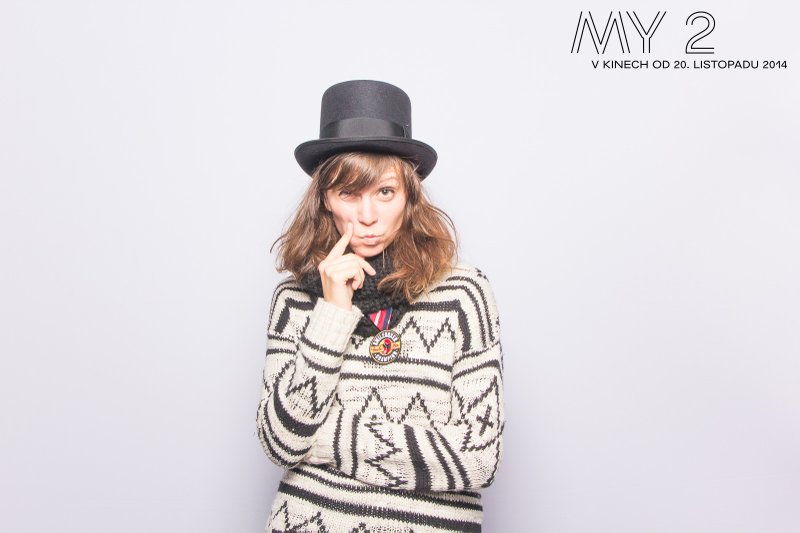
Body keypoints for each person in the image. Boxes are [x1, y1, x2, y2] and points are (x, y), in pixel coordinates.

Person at [256, 80, 505, 532]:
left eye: (384, 193)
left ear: (409, 195)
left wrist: (326, 441)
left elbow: (478, 457)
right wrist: (333, 313)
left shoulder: (462, 295)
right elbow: (279, 444)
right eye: (348, 193)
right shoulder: (294, 300)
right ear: (325, 199)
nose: (367, 216)